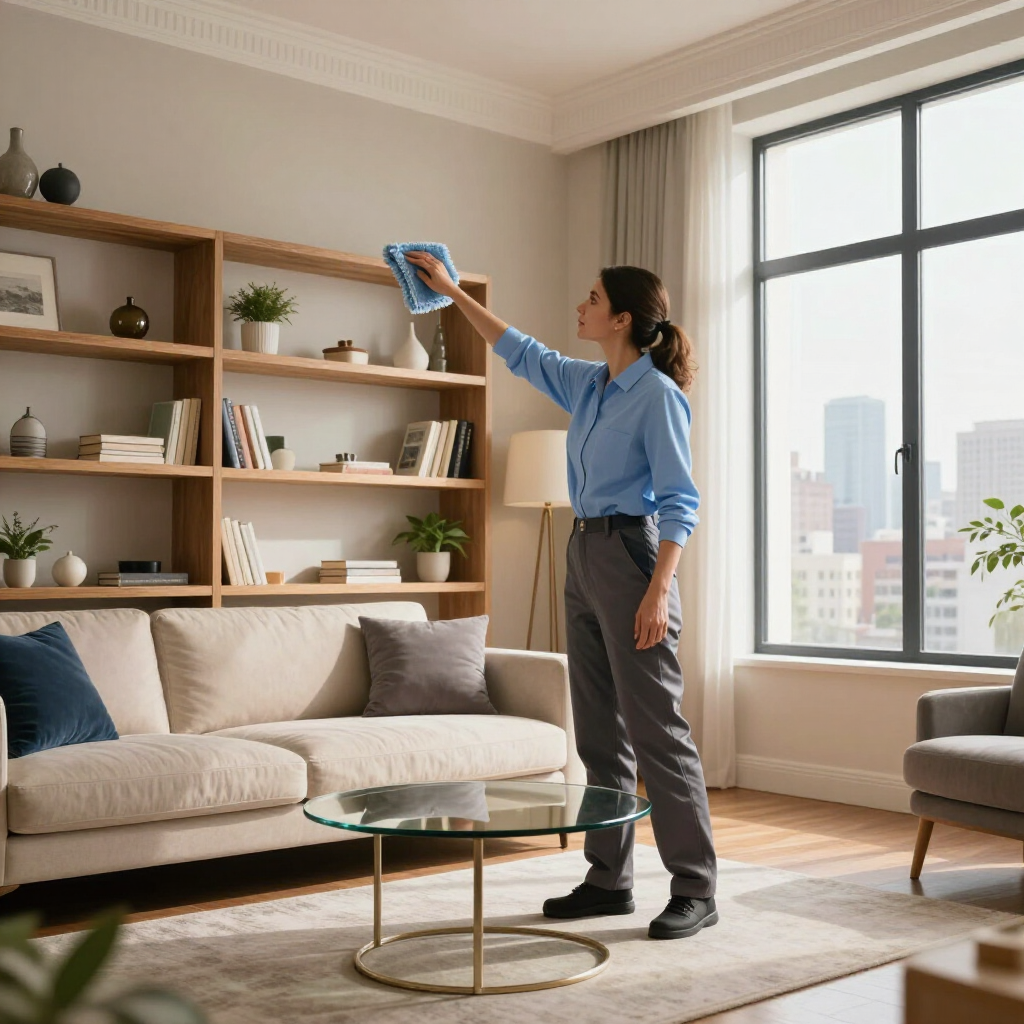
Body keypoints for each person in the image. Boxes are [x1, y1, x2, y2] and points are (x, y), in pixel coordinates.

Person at [404, 252, 718, 940]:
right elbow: (519, 350)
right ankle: (609, 880)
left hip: (633, 558)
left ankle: (696, 887)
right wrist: (451, 290)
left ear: (623, 318)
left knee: (657, 732)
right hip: (584, 551)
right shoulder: (591, 385)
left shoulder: (658, 396)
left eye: (592, 298)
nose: (581, 306)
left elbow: (680, 501)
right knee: (601, 735)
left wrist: (658, 590)